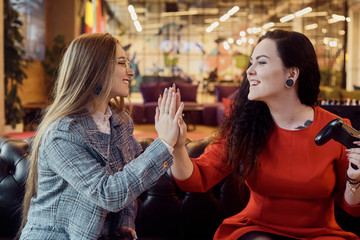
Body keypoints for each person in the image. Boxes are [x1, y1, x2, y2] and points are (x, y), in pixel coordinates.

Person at [169, 30, 360, 239]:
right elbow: (197, 179)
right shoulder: (246, 127)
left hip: (320, 234)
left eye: (261, 62)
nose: (249, 71)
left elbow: (352, 208)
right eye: (251, 63)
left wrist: (355, 179)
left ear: (292, 74)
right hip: (257, 230)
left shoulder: (336, 129)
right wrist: (178, 147)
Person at [18, 33, 183, 240]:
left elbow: (128, 182)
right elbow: (108, 193)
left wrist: (125, 226)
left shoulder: (120, 122)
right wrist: (165, 142)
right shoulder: (62, 134)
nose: (131, 72)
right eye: (122, 62)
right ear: (94, 68)